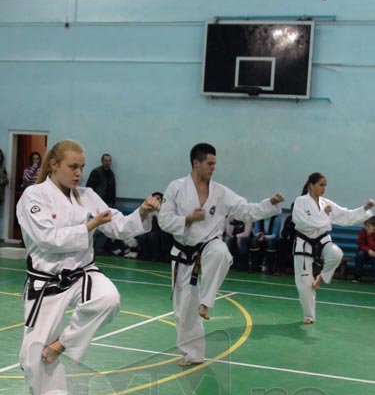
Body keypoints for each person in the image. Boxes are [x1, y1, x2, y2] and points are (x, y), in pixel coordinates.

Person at [16, 139, 160, 395]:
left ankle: (63, 342)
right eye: (73, 166)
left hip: (83, 273)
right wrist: (88, 225)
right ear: (54, 165)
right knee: (32, 362)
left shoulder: (89, 196)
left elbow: (120, 227)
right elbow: (47, 239)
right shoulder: (34, 197)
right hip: (46, 284)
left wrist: (142, 212)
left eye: (82, 166)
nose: (79, 172)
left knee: (109, 297)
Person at [158, 143, 284, 366]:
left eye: (215, 163)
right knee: (184, 310)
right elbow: (164, 220)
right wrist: (188, 219)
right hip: (183, 253)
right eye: (210, 163)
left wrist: (269, 204)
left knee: (222, 253)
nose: (213, 168)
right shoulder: (176, 188)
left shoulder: (221, 192)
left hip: (208, 246)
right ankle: (193, 354)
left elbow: (245, 210)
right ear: (196, 163)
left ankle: (206, 302)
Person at [292, 172, 374, 324]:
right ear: (311, 185)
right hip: (304, 241)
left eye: (325, 185)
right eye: (321, 185)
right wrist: (324, 215)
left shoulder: (326, 203)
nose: (324, 188)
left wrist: (364, 209)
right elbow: (302, 222)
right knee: (303, 282)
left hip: (321, 238)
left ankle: (322, 277)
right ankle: (309, 316)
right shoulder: (300, 201)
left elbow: (345, 216)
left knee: (336, 254)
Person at [86, 153, 117, 254]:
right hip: (95, 204)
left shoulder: (111, 174)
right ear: (102, 161)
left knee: (105, 227)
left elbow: (112, 190)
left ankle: (99, 248)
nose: (108, 163)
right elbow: (89, 188)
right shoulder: (96, 172)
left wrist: (112, 203)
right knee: (94, 227)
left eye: (109, 161)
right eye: (106, 161)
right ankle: (90, 247)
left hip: (107, 205)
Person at [136, 191, 173, 262]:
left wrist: (158, 211)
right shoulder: (149, 209)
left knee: (153, 236)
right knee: (142, 236)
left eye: (158, 198)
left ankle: (157, 256)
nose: (156, 200)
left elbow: (163, 224)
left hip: (163, 231)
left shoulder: (166, 209)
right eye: (154, 198)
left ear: (162, 200)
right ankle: (146, 255)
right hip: (151, 230)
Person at [352, 217, 375, 283]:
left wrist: (369, 236)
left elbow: (373, 247)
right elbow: (360, 244)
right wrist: (368, 250)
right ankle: (357, 276)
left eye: (368, 226)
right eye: (365, 226)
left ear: (374, 227)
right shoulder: (363, 232)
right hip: (365, 253)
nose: (366, 228)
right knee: (360, 254)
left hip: (374, 253)